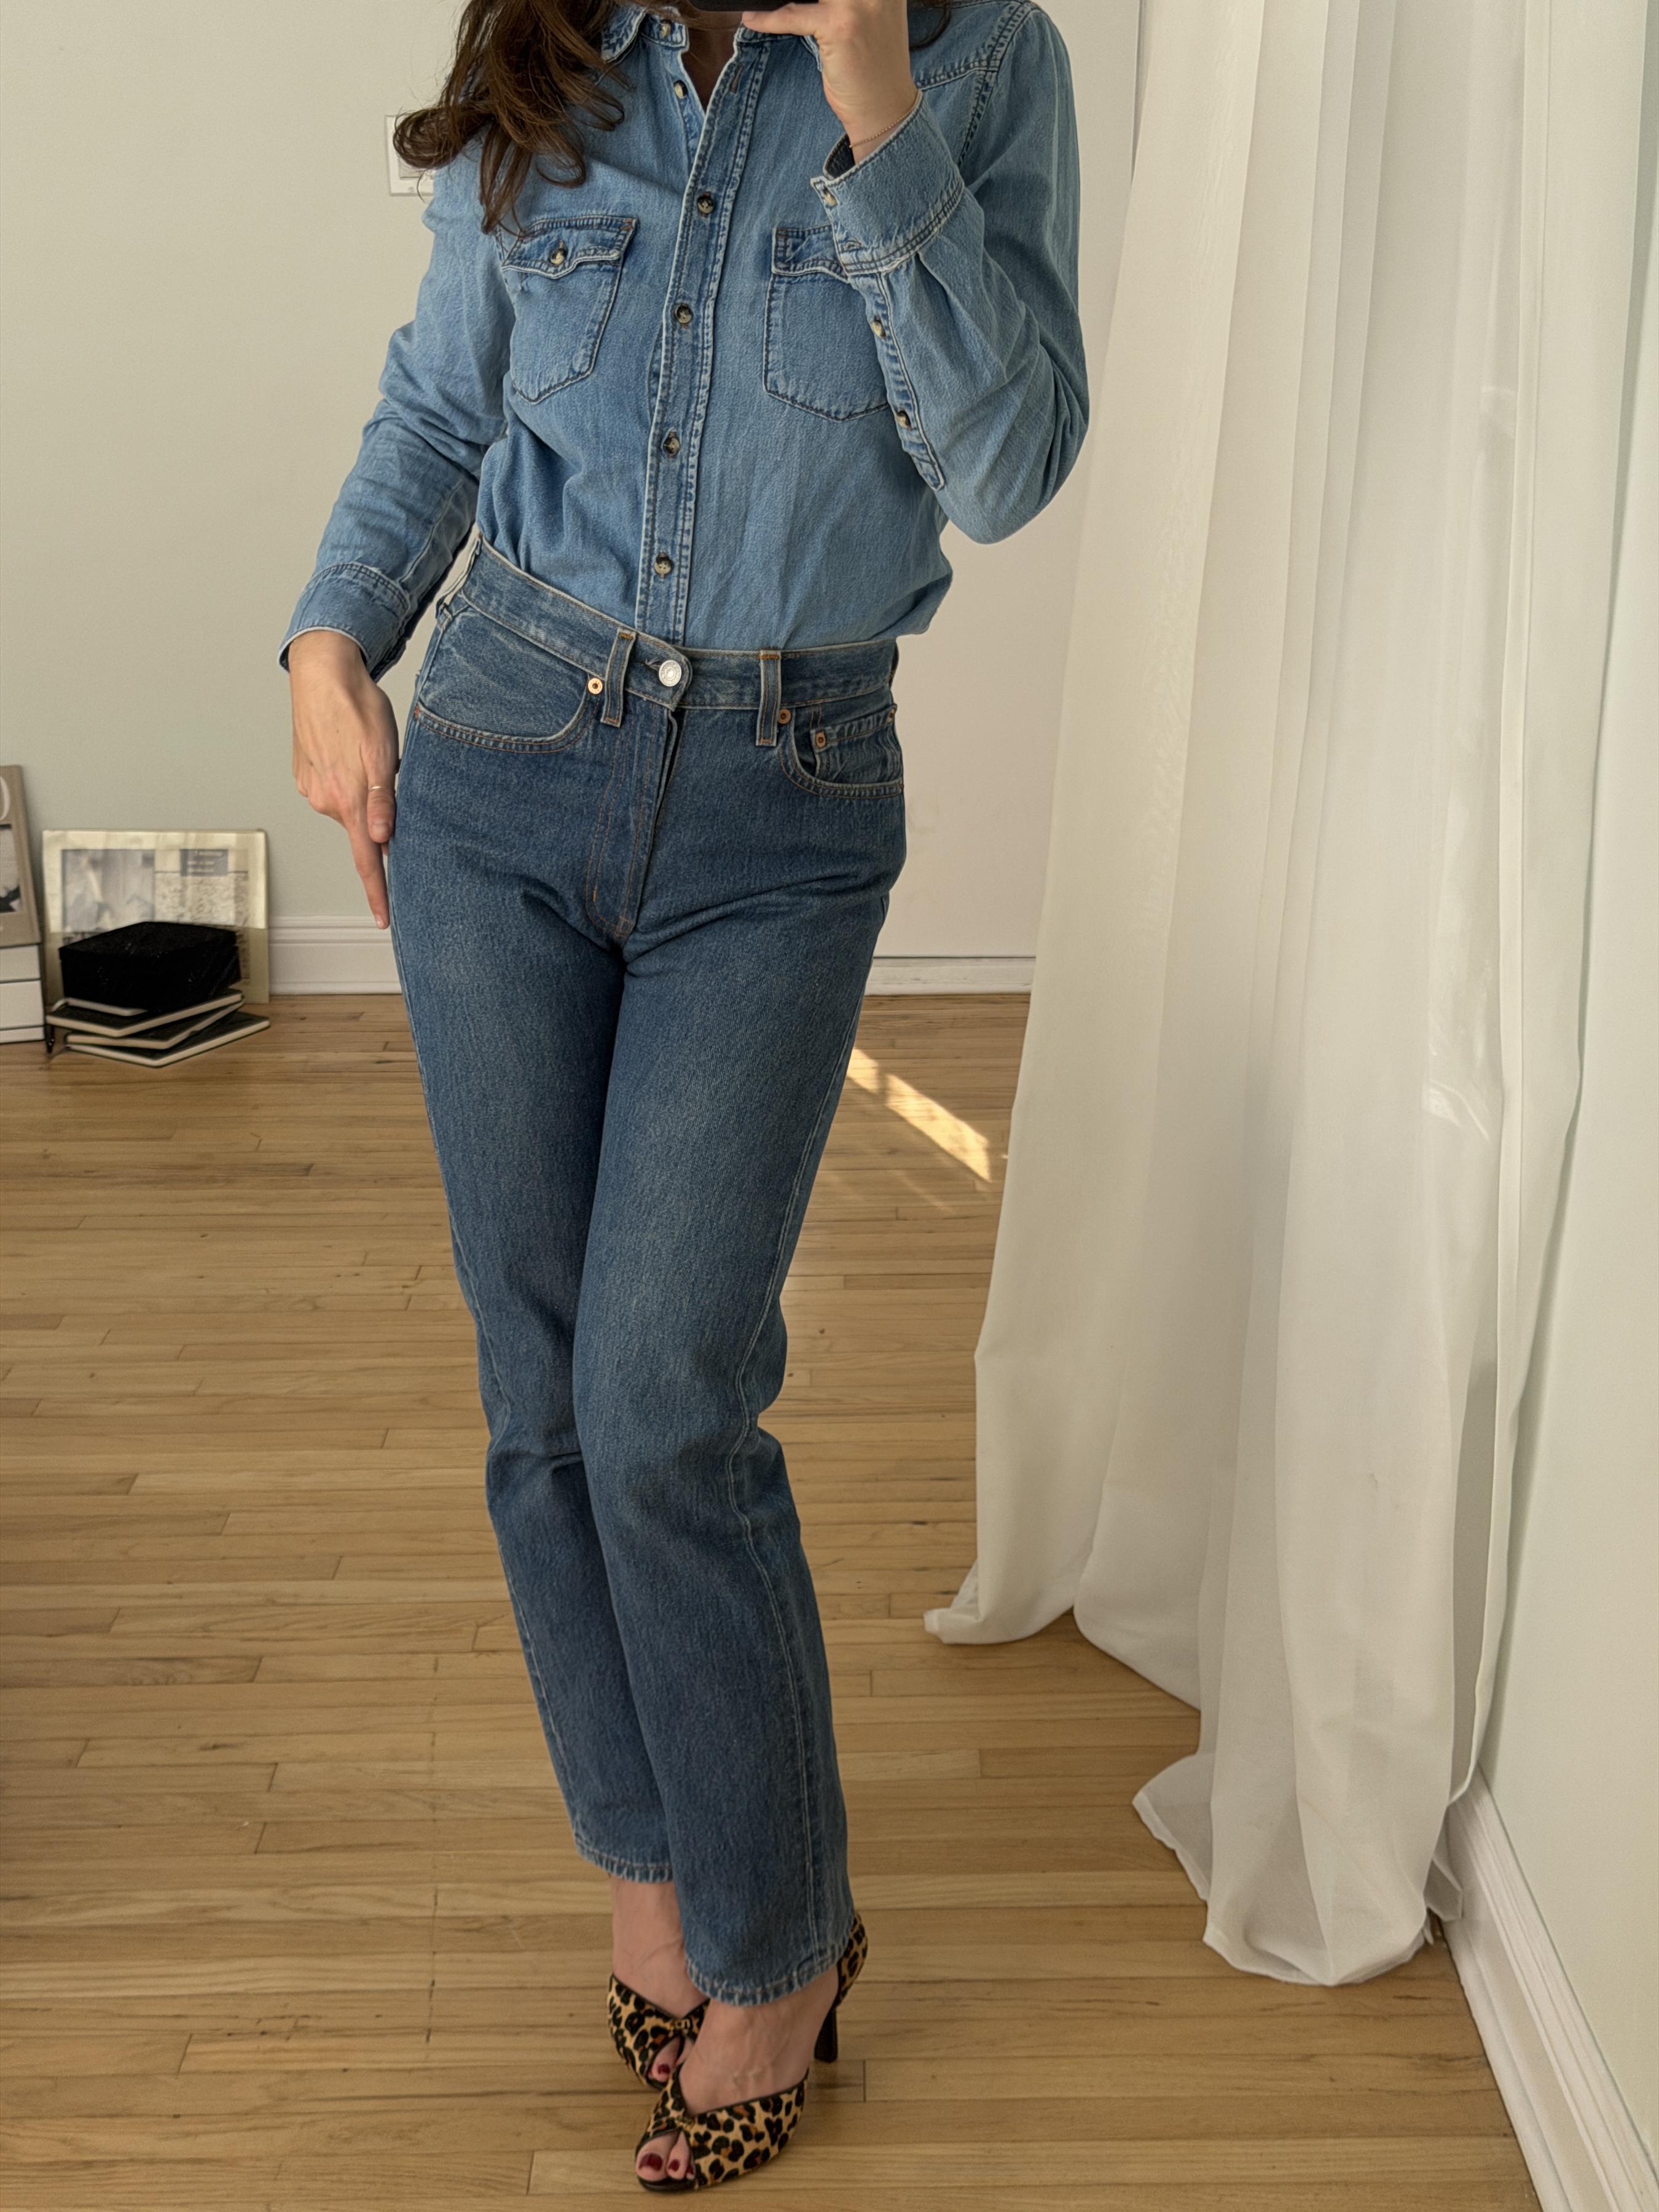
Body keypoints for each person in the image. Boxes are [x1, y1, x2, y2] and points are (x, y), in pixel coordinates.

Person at [283, 0, 1084, 2187]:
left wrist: (870, 102)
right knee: (539, 1389)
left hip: (786, 791)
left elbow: (1007, 470)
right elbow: (443, 406)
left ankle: (787, 1939)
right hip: (502, 761)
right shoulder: (552, 49)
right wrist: (327, 642)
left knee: (664, 1402)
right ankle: (654, 1879)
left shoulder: (978, 58)